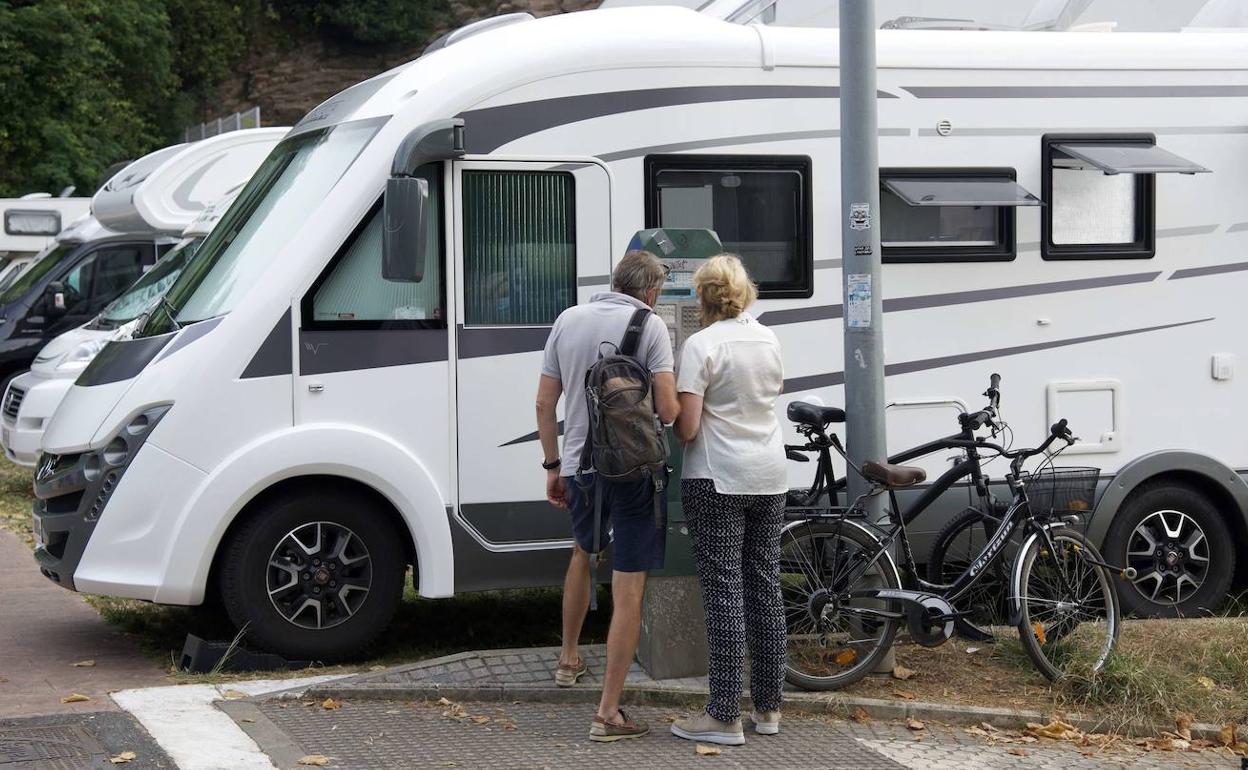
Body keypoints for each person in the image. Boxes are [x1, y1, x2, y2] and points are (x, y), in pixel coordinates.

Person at [535, 249, 679, 742]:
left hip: (581, 465)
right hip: (635, 470)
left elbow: (544, 402)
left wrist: (553, 466)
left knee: (583, 552)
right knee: (629, 585)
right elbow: (667, 410)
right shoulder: (651, 326)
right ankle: (608, 712)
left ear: (616, 281)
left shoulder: (568, 319)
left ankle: (568, 659)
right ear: (651, 291)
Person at [670, 254, 787, 746]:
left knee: (724, 593)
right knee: (765, 587)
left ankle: (723, 714)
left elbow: (688, 428)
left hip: (716, 477)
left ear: (703, 295)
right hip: (770, 475)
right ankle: (769, 708)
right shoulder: (768, 338)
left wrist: (667, 412)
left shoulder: (701, 344)